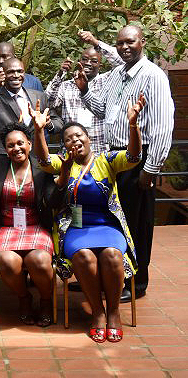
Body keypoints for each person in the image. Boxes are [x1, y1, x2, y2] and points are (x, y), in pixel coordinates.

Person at [32, 95, 144, 343]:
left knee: (112, 254)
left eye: (78, 136)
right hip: (76, 225)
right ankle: (98, 312)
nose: (74, 140)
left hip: (106, 224)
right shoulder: (64, 163)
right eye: (68, 138)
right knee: (84, 255)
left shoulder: (107, 160)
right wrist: (39, 130)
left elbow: (134, 158)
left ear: (89, 138)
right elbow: (41, 159)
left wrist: (133, 126)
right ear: (64, 145)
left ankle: (113, 311)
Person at [75, 25, 175, 301]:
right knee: (110, 221)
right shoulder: (116, 75)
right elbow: (102, 110)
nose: (124, 47)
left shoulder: (153, 76)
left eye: (130, 42)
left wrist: (150, 169)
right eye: (120, 43)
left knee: (136, 223)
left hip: (137, 160)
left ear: (142, 42)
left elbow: (163, 127)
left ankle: (134, 284)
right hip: (112, 159)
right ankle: (104, 276)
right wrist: (84, 92)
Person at [0, 122, 58, 327]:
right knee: (7, 261)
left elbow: (54, 200)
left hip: (36, 226)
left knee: (39, 260)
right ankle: (24, 298)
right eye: (10, 145)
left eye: (21, 143)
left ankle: (46, 301)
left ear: (29, 144)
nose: (16, 148)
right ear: (5, 149)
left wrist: (61, 179)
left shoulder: (41, 167)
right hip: (5, 227)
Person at [45, 31, 124, 153]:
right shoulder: (67, 85)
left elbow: (123, 62)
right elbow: (48, 103)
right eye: (84, 59)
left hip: (100, 149)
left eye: (93, 61)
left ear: (100, 65)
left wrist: (96, 43)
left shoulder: (108, 80)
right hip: (72, 149)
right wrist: (60, 74)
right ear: (79, 62)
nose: (88, 63)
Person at [0, 57, 62, 169]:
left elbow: (58, 123)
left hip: (36, 158)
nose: (16, 75)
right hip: (3, 159)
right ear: (3, 74)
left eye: (20, 71)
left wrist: (48, 123)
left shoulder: (38, 96)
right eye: (11, 72)